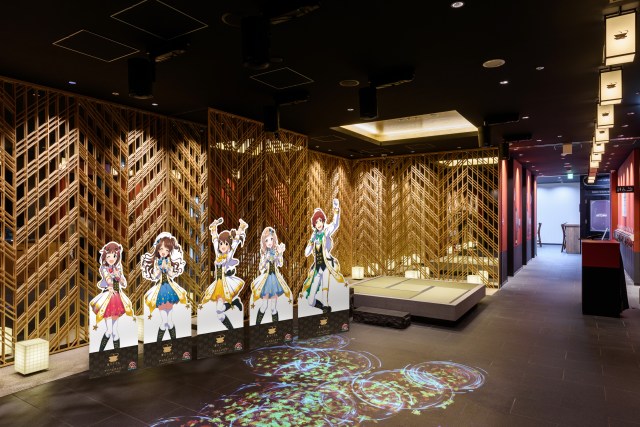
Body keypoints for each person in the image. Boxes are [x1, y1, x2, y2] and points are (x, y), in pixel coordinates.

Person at [201, 218, 248, 330]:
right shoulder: (218, 254)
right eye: (221, 243)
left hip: (225, 284)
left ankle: (231, 328)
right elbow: (215, 241)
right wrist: (213, 229)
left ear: (229, 246)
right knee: (219, 314)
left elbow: (235, 243)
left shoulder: (228, 255)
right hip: (217, 284)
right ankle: (233, 305)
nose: (223, 246)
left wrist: (241, 228)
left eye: (226, 244)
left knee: (219, 311)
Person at [301, 198, 345, 313]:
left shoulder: (326, 231)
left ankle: (326, 308)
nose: (319, 224)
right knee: (310, 301)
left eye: (320, 221)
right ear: (314, 224)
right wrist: (311, 241)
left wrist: (336, 209)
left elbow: (335, 224)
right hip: (317, 268)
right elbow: (306, 253)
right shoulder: (314, 236)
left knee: (325, 293)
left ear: (323, 220)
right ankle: (323, 308)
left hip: (326, 266)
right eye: (316, 222)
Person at [141, 233, 187, 342]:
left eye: (166, 250)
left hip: (169, 289)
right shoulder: (157, 261)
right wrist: (160, 269)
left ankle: (173, 343)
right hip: (161, 290)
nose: (163, 251)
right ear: (157, 250)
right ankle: (158, 344)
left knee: (169, 321)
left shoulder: (168, 261)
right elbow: (155, 276)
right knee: (164, 321)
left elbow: (171, 274)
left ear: (169, 251)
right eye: (161, 249)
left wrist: (168, 268)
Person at [90, 242, 133, 352]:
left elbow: (124, 283)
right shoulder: (104, 268)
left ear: (117, 256)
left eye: (113, 256)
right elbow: (108, 279)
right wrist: (113, 279)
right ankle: (100, 353)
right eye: (108, 256)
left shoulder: (118, 268)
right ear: (105, 257)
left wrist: (119, 276)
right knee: (109, 330)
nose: (111, 258)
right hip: (108, 298)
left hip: (117, 297)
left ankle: (117, 354)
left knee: (114, 330)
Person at [250, 227, 292, 325]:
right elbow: (261, 268)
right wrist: (266, 259)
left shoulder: (275, 252)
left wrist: (280, 253)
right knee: (264, 306)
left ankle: (275, 327)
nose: (269, 242)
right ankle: (257, 325)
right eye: (267, 240)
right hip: (266, 281)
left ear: (274, 240)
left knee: (273, 307)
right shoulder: (264, 253)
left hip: (275, 281)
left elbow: (280, 264)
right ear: (264, 242)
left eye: (271, 239)